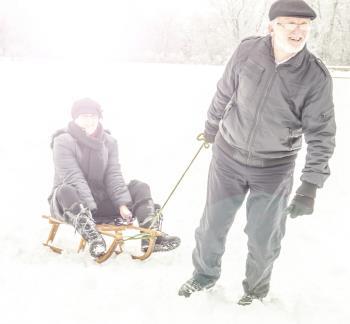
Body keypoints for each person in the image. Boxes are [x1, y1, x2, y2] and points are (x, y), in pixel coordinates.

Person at [178, 0, 336, 305]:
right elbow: (225, 91)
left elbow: (322, 135)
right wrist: (211, 127)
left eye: (304, 25)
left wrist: (310, 186)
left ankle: (255, 291)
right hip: (228, 157)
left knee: (264, 238)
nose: (297, 30)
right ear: (271, 26)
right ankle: (203, 276)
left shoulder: (315, 76)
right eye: (289, 23)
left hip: (273, 168)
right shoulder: (247, 51)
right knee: (213, 224)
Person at [48, 98, 180, 258]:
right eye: (84, 116)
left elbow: (113, 174)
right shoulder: (62, 141)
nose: (89, 121)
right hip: (72, 205)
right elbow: (73, 176)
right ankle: (94, 239)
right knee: (66, 189)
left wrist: (122, 204)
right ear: (75, 118)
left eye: (93, 116)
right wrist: (89, 208)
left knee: (140, 187)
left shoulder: (108, 142)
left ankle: (151, 237)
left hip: (100, 200)